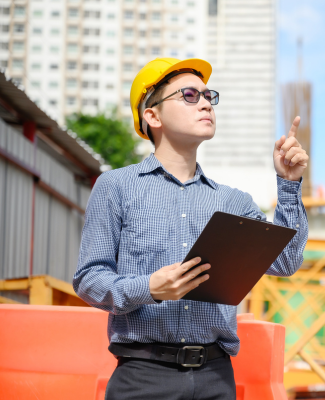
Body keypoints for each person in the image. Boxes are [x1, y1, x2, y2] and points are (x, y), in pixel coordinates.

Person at [73, 57, 309, 400]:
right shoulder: (115, 187)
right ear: (152, 116)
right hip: (142, 379)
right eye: (188, 95)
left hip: (216, 378)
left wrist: (289, 184)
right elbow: (89, 279)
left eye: (207, 96)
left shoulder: (234, 201)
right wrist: (148, 288)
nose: (205, 104)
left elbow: (286, 262)